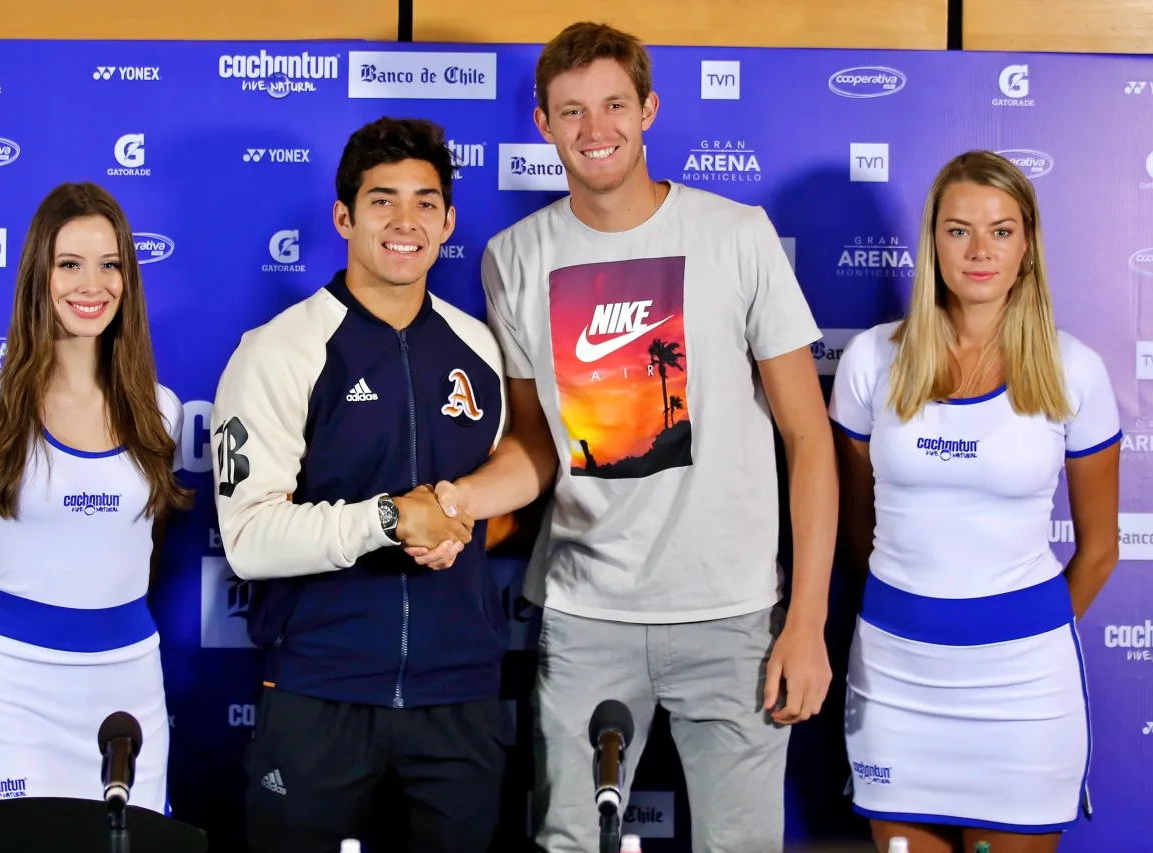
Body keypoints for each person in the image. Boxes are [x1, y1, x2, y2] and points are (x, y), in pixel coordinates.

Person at [405, 22, 838, 853]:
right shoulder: (513, 257)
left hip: (735, 615)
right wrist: (457, 500)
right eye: (571, 111)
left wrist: (807, 618)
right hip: (586, 615)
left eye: (612, 105)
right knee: (571, 842)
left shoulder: (736, 234)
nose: (594, 128)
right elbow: (535, 445)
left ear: (649, 110)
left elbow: (808, 438)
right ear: (543, 124)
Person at [210, 117, 510, 853]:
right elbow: (248, 538)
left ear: (449, 221)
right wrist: (388, 519)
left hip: (458, 696)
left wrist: (456, 522)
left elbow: (498, 501)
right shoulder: (278, 350)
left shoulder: (481, 348)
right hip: (321, 692)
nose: (405, 221)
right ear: (344, 216)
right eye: (382, 201)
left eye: (424, 202)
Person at [828, 150, 1120, 853]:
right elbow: (854, 527)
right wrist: (912, 614)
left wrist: (1019, 626)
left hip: (1023, 689)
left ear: (1028, 245)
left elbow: (1102, 548)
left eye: (1001, 230)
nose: (980, 249)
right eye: (959, 230)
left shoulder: (1073, 368)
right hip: (897, 678)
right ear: (933, 241)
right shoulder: (871, 361)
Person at [0, 182, 191, 811]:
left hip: (127, 686)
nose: (92, 285)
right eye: (70, 264)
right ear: (40, 273)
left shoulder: (160, 412)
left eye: (110, 264)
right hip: (11, 692)